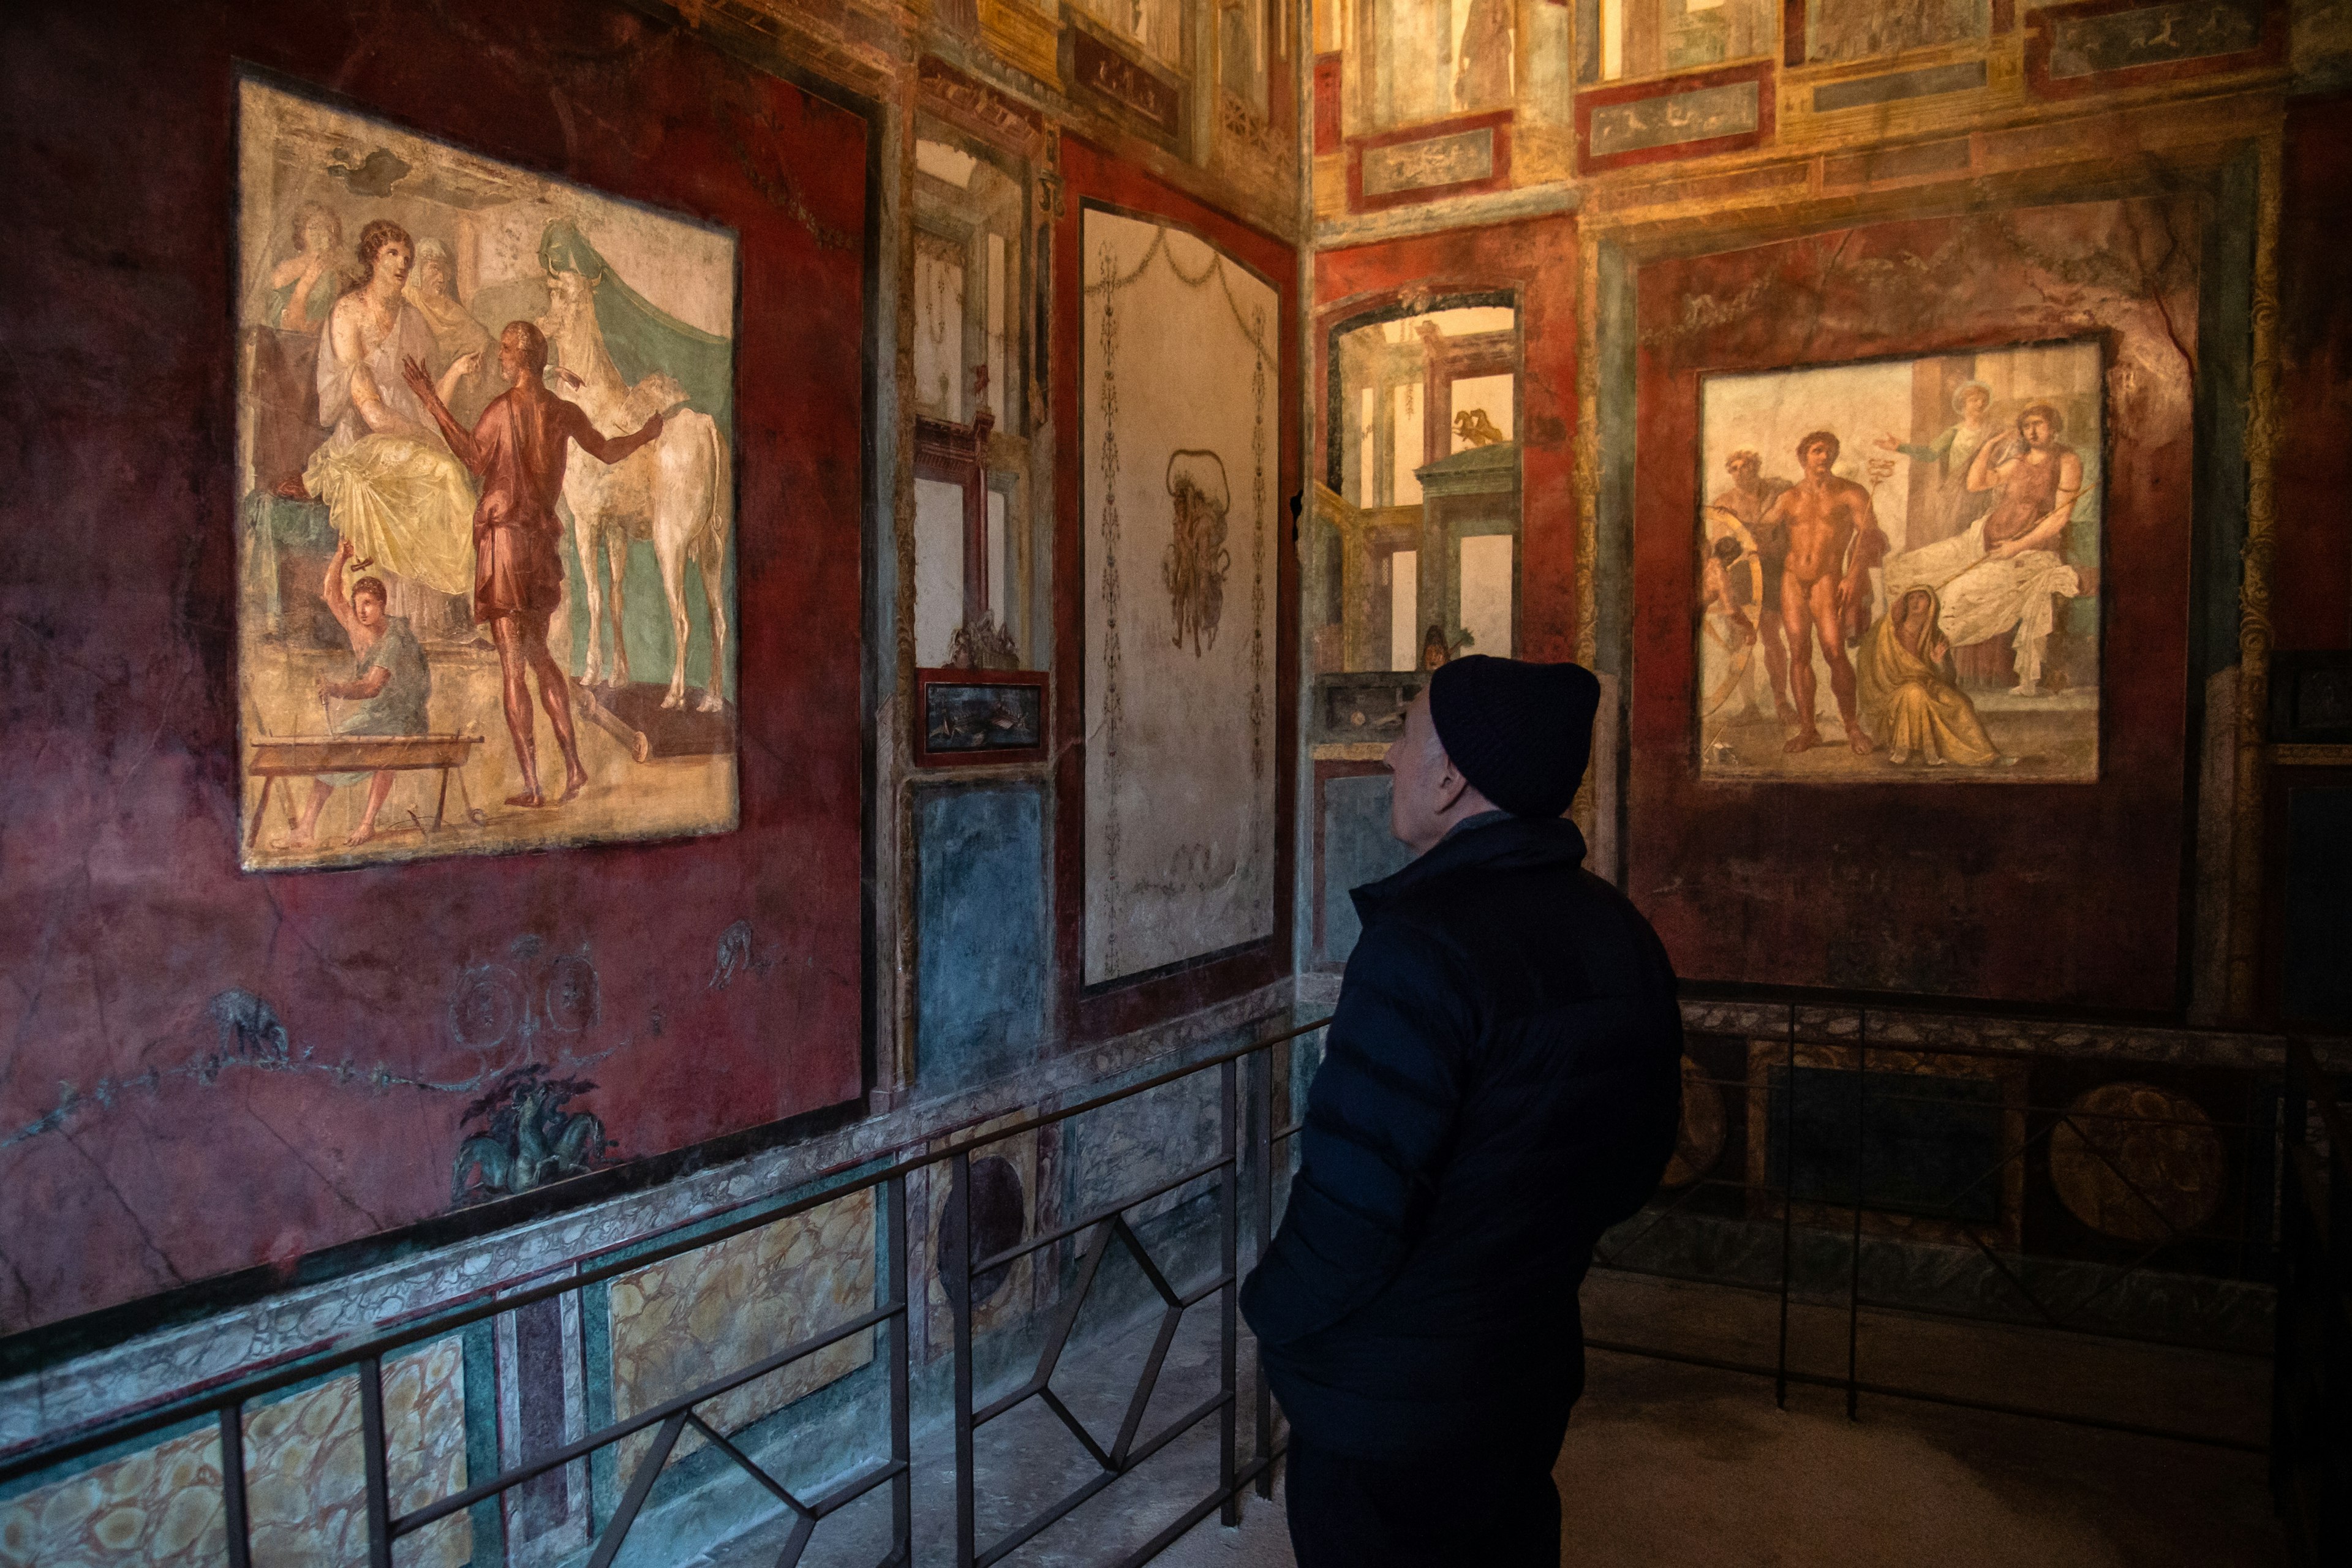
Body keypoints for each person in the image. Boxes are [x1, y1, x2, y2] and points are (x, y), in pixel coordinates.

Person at [1242, 655, 1683, 1568]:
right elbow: (1637, 1165)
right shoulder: (1618, 930)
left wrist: (1273, 1311)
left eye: (1404, 737)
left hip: (1392, 1407)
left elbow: (1352, 1210)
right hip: (1525, 1373)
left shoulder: (1423, 949)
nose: (1390, 762)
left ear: (1449, 779)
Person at [401, 321, 662, 807]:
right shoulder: (561, 412)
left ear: (521, 358)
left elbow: (474, 459)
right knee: (541, 657)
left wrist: (431, 400)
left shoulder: (503, 410)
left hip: (504, 546)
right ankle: (576, 768)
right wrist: (647, 434)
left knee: (512, 669)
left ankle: (534, 787)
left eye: (504, 350)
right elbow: (606, 450)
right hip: (540, 547)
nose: (499, 356)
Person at [282, 220, 480, 628]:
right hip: (363, 444)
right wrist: (431, 439)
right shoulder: (348, 313)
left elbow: (428, 402)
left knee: (448, 471)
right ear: (373, 257)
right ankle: (462, 600)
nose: (403, 264)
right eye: (393, 254)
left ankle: (466, 600)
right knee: (445, 469)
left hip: (408, 439)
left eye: (407, 259)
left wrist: (458, 371)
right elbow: (373, 415)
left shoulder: (415, 322)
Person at [1883, 402, 2084, 697]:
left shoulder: (2066, 461)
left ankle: (1935, 671)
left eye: (2039, 424)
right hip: (1979, 542)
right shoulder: (2018, 461)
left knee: (1955, 595)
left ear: (2053, 427)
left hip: (2028, 553)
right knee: (1910, 567)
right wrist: (1988, 446)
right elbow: (1976, 483)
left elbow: (2060, 517)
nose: (2032, 431)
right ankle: (1899, 661)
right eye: (2027, 425)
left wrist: (2016, 546)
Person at [279, 538, 432, 848]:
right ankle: (306, 830)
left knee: (383, 750)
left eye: (369, 604)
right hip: (376, 715)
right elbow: (331, 594)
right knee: (332, 751)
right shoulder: (357, 627)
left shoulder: (396, 637)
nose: (361, 611)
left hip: (405, 718)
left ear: (382, 606)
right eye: (358, 603)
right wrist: (340, 555)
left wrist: (335, 688)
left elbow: (373, 686)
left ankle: (367, 824)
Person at [1756, 431, 1885, 754]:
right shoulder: (1788, 497)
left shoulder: (1851, 494)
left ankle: (1852, 728)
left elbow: (1870, 538)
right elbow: (1760, 529)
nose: (1824, 457)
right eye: (1817, 451)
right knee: (1799, 652)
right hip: (1791, 580)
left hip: (1828, 580)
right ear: (1803, 457)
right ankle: (1808, 729)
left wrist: (1854, 576)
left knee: (1834, 651)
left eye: (1829, 451)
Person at [1858, 587, 2002, 767]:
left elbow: (1949, 679)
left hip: (1929, 686)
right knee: (1914, 693)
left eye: (1922, 598)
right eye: (1911, 598)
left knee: (1959, 703)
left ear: (1931, 605)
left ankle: (1986, 756)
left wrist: (1938, 662)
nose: (1916, 602)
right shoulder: (1891, 633)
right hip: (1893, 692)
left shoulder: (1936, 636)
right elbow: (1877, 670)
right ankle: (1913, 752)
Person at [1709, 450, 1796, 722]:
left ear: (1756, 468)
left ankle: (1781, 702)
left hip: (1771, 571)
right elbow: (1721, 546)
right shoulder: (1725, 503)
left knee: (1772, 635)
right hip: (1741, 575)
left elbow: (1788, 535)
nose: (1739, 473)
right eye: (1733, 469)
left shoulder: (1777, 494)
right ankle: (1750, 706)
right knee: (1741, 639)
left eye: (1744, 467)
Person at [1874, 379, 1996, 544]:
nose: (1980, 404)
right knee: (1957, 538)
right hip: (1957, 493)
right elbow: (1930, 454)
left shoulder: (1994, 431)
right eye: (1974, 400)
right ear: (1963, 405)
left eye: (1984, 400)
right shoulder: (1954, 433)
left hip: (1984, 491)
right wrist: (1900, 447)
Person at [266, 203, 346, 334]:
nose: (319, 234)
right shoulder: (283, 271)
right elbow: (282, 325)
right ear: (302, 233)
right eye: (313, 228)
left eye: (326, 228)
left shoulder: (335, 276)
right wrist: (307, 282)